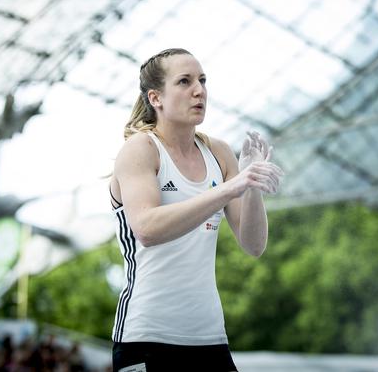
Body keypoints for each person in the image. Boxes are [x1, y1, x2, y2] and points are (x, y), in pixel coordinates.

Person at [109, 48, 284, 371]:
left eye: (202, 80)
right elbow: (147, 229)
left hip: (210, 339)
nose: (199, 90)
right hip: (147, 337)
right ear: (156, 98)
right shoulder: (141, 149)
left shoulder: (218, 152)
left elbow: (254, 245)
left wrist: (252, 186)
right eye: (185, 81)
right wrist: (231, 187)